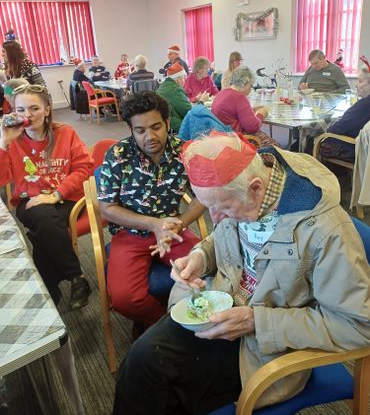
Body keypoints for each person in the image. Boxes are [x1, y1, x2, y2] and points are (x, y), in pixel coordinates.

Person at [113, 131, 370, 415]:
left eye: (220, 207)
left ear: (257, 188)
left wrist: (257, 321)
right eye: (208, 206)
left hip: (267, 346)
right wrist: (201, 256)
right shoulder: (246, 183)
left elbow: (359, 326)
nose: (214, 219)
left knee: (154, 379)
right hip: (226, 310)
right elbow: (225, 233)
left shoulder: (327, 232)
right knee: (140, 364)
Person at [97, 91, 204, 333]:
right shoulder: (117, 156)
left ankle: (166, 324)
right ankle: (163, 325)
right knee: (124, 299)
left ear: (167, 123)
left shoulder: (185, 153)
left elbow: (202, 199)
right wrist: (152, 224)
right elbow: (107, 208)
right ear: (131, 130)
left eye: (156, 127)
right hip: (130, 233)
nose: (150, 136)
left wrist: (181, 222)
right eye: (140, 130)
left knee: (206, 271)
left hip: (172, 229)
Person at [0, 84, 93, 308]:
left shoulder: (65, 133)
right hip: (29, 200)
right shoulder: (13, 140)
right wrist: (3, 143)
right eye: (20, 110)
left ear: (47, 109)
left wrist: (57, 194)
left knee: (41, 233)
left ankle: (49, 293)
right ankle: (76, 277)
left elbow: (84, 169)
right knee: (41, 215)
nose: (27, 115)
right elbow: (3, 180)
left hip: (68, 198)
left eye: (34, 108)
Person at [212, 66, 277, 147]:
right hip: (235, 139)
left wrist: (251, 110)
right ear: (245, 83)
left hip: (220, 137)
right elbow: (253, 128)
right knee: (275, 147)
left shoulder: (222, 93)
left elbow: (235, 113)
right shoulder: (239, 98)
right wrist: (261, 114)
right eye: (250, 85)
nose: (251, 89)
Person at [319, 71, 370, 162]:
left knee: (314, 141)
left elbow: (336, 129)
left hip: (354, 148)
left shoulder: (364, 105)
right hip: (363, 146)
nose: (356, 85)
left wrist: (327, 130)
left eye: (360, 81)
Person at [157, 62, 192, 133]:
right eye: (183, 78)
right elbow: (187, 110)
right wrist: (200, 103)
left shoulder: (164, 86)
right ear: (178, 79)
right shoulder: (175, 89)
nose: (184, 81)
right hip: (175, 125)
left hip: (164, 122)